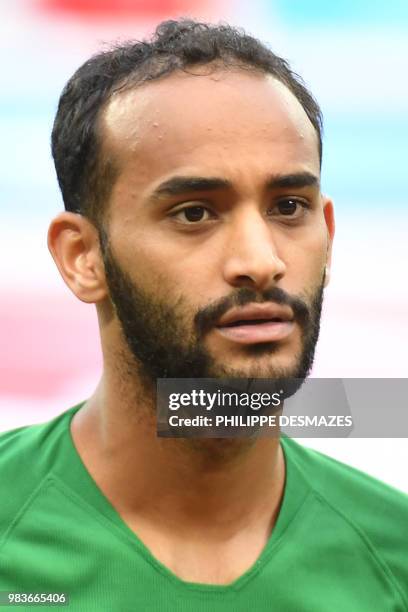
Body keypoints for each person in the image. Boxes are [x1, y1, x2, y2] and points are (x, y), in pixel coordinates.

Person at [0, 19, 407, 611]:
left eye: (289, 207)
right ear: (82, 257)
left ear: (328, 232)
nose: (261, 261)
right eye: (194, 213)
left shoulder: (392, 557)